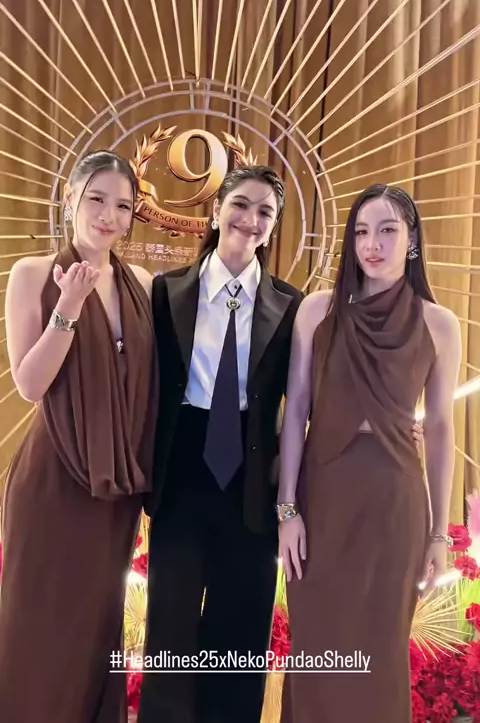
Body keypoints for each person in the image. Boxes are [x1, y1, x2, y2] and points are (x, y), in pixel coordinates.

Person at [138, 166, 424, 723]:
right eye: (241, 205)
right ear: (216, 209)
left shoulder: (293, 306)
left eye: (265, 212)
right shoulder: (165, 292)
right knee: (170, 631)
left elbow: (317, 395)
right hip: (181, 478)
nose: (251, 219)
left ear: (274, 225)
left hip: (255, 480)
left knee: (241, 633)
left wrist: (387, 424)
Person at [277, 183, 461, 723]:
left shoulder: (439, 324)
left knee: (379, 660)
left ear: (412, 240)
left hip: (393, 506)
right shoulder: (316, 311)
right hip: (323, 501)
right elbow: (295, 410)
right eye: (361, 232)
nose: (372, 244)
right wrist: (287, 509)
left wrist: (438, 534)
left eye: (387, 230)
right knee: (316, 653)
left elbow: (441, 428)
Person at [0, 150, 159, 723]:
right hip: (53, 481)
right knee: (37, 626)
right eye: (96, 198)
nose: (108, 215)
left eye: (123, 206)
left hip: (114, 489)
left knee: (96, 629)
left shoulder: (142, 283)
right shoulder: (33, 273)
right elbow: (30, 384)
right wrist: (67, 306)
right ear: (70, 199)